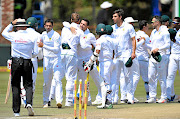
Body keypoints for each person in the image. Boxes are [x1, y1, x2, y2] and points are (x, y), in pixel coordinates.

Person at [2, 18, 38, 116]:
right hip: (27, 62)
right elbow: (35, 53)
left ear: (17, 27)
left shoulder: (13, 35)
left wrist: (10, 24)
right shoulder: (32, 37)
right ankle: (29, 103)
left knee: (16, 86)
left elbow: (3, 32)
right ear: (25, 27)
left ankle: (16, 111)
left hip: (16, 62)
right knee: (28, 85)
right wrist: (29, 54)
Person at [84, 24, 114, 109]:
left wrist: (90, 62)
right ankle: (107, 101)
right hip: (110, 61)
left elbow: (96, 52)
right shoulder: (110, 39)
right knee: (107, 81)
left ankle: (106, 102)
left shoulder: (100, 40)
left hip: (104, 63)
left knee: (104, 82)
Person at [111, 9, 136, 104]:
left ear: (120, 17)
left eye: (115, 16)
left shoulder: (128, 26)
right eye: (113, 16)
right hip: (117, 56)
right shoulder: (113, 28)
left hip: (126, 54)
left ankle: (130, 97)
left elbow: (133, 39)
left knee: (128, 76)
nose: (113, 18)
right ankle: (114, 98)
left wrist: (133, 52)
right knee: (115, 77)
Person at [145, 16, 170, 103]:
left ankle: (164, 97)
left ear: (158, 22)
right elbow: (151, 45)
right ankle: (152, 96)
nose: (152, 23)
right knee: (151, 76)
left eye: (153, 22)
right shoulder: (153, 32)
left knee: (162, 78)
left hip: (161, 57)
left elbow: (167, 44)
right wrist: (144, 43)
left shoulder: (165, 31)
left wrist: (158, 49)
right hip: (153, 57)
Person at [59, 13, 82, 107]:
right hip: (72, 54)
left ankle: (55, 98)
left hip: (62, 53)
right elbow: (83, 45)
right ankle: (68, 100)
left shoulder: (65, 28)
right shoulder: (79, 30)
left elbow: (64, 23)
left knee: (62, 77)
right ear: (79, 21)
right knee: (71, 78)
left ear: (71, 20)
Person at [38, 19, 62, 108]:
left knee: (57, 79)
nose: (48, 27)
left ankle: (59, 101)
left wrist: (44, 46)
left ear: (52, 26)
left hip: (56, 59)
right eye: (46, 26)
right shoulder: (43, 35)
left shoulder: (56, 35)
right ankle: (46, 101)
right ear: (44, 26)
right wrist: (39, 56)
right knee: (47, 82)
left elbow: (56, 50)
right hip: (47, 60)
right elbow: (39, 46)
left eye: (50, 26)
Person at [26, 17, 43, 100]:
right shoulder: (38, 35)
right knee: (32, 80)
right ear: (35, 25)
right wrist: (40, 57)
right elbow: (39, 50)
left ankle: (23, 99)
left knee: (23, 79)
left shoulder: (21, 34)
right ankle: (29, 99)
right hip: (33, 59)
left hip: (21, 59)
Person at [135, 20, 151, 101]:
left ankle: (130, 96)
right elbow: (151, 46)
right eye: (147, 26)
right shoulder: (145, 36)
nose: (148, 27)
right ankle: (148, 96)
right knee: (146, 79)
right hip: (144, 59)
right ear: (144, 26)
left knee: (134, 78)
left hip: (136, 59)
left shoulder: (135, 34)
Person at [166, 17, 180, 102]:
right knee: (170, 75)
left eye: (174, 22)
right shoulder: (172, 31)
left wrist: (175, 40)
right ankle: (169, 95)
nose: (173, 24)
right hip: (173, 55)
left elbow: (176, 42)